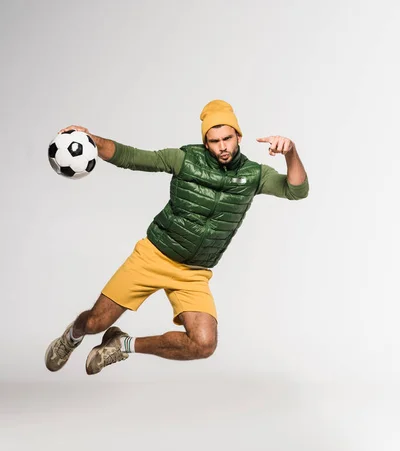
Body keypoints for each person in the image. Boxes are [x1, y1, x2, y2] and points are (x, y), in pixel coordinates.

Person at [45, 99, 309, 375]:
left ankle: (121, 344)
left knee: (203, 344)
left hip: (194, 273)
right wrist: (91, 141)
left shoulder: (254, 175)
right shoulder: (184, 159)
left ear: (238, 136)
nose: (222, 146)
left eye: (228, 138)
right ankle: (70, 338)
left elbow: (297, 190)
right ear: (205, 143)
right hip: (153, 256)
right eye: (215, 140)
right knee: (94, 323)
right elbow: (132, 157)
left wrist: (290, 152)